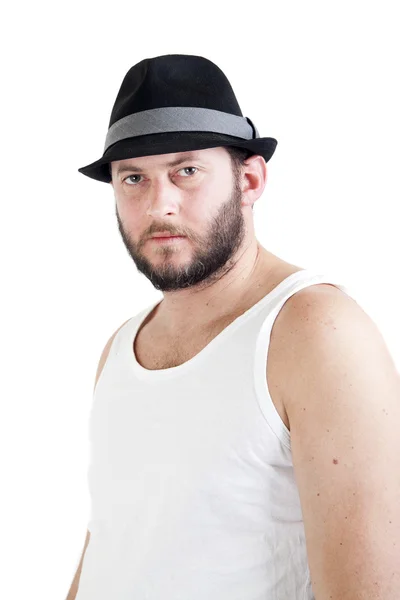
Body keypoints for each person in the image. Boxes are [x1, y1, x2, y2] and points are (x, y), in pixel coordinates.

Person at [67, 54, 400, 600]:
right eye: (134, 178)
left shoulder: (315, 331)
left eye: (186, 171)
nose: (160, 205)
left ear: (249, 178)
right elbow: (109, 545)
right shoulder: (120, 347)